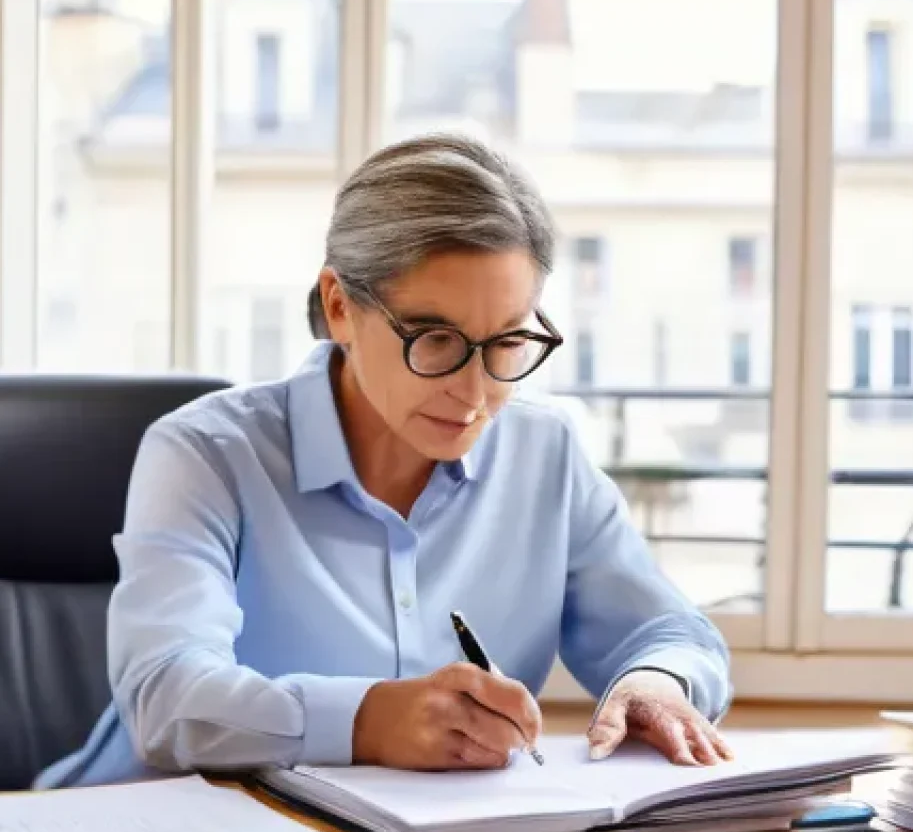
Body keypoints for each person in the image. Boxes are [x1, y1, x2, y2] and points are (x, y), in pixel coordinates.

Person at [35, 133, 732, 790]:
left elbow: (666, 631)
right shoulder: (207, 455)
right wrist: (370, 720)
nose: (474, 390)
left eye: (508, 343)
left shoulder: (544, 455)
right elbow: (167, 697)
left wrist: (656, 683)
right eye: (434, 339)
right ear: (340, 307)